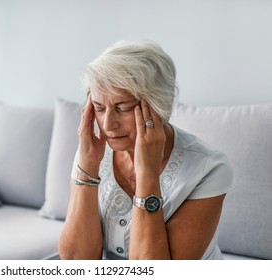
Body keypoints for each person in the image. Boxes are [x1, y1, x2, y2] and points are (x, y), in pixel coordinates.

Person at [58, 40, 233, 260]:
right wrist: (87, 167)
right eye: (100, 108)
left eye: (123, 108)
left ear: (157, 105)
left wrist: (148, 175)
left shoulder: (209, 168)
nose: (108, 124)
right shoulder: (93, 151)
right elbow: (76, 261)